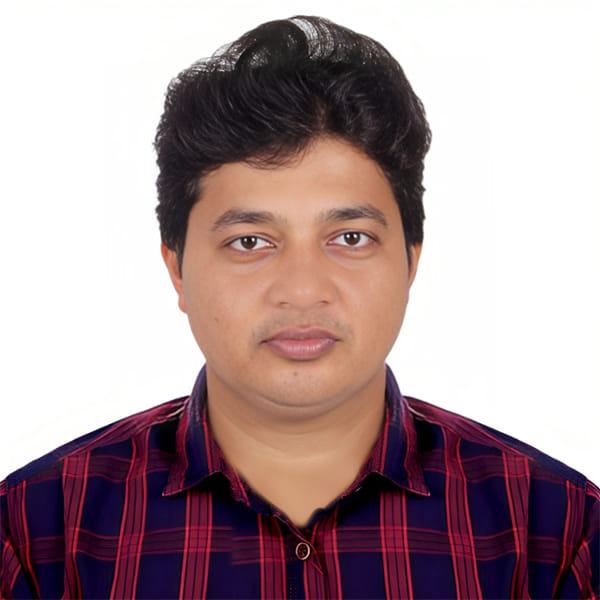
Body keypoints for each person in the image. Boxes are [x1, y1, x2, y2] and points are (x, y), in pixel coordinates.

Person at [1, 14, 598, 600]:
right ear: (177, 268)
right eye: (250, 242)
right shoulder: (38, 533)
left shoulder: (553, 532)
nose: (303, 289)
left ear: (410, 262)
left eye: (350, 238)